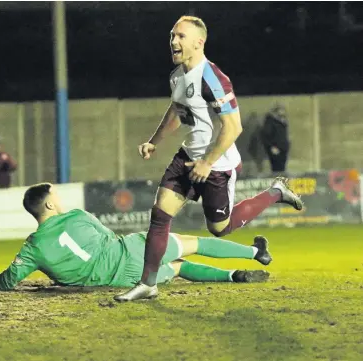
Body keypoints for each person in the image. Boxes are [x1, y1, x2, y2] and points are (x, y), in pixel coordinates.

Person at [114, 16, 303, 302]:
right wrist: (154, 142)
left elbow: (234, 127)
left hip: (217, 165)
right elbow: (177, 113)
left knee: (219, 228)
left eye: (180, 36)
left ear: (198, 42)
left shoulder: (213, 78)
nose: (173, 41)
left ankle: (276, 192)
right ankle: (148, 284)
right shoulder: (177, 75)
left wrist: (208, 162)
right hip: (187, 157)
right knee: (160, 215)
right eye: (172, 35)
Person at [0, 183, 272, 292]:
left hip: (121, 280)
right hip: (131, 252)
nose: (59, 199)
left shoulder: (33, 248)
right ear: (49, 204)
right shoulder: (77, 215)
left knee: (178, 267)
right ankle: (254, 253)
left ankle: (234, 276)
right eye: (56, 196)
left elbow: (8, 281)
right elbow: (107, 236)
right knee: (196, 244)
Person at [261, 104, 291, 174]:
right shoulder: (270, 122)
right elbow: (265, 136)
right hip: (276, 150)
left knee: (282, 170)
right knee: (277, 170)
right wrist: (271, 147)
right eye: (281, 111)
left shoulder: (282, 121)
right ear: (276, 112)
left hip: (283, 149)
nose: (283, 113)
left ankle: (281, 183)